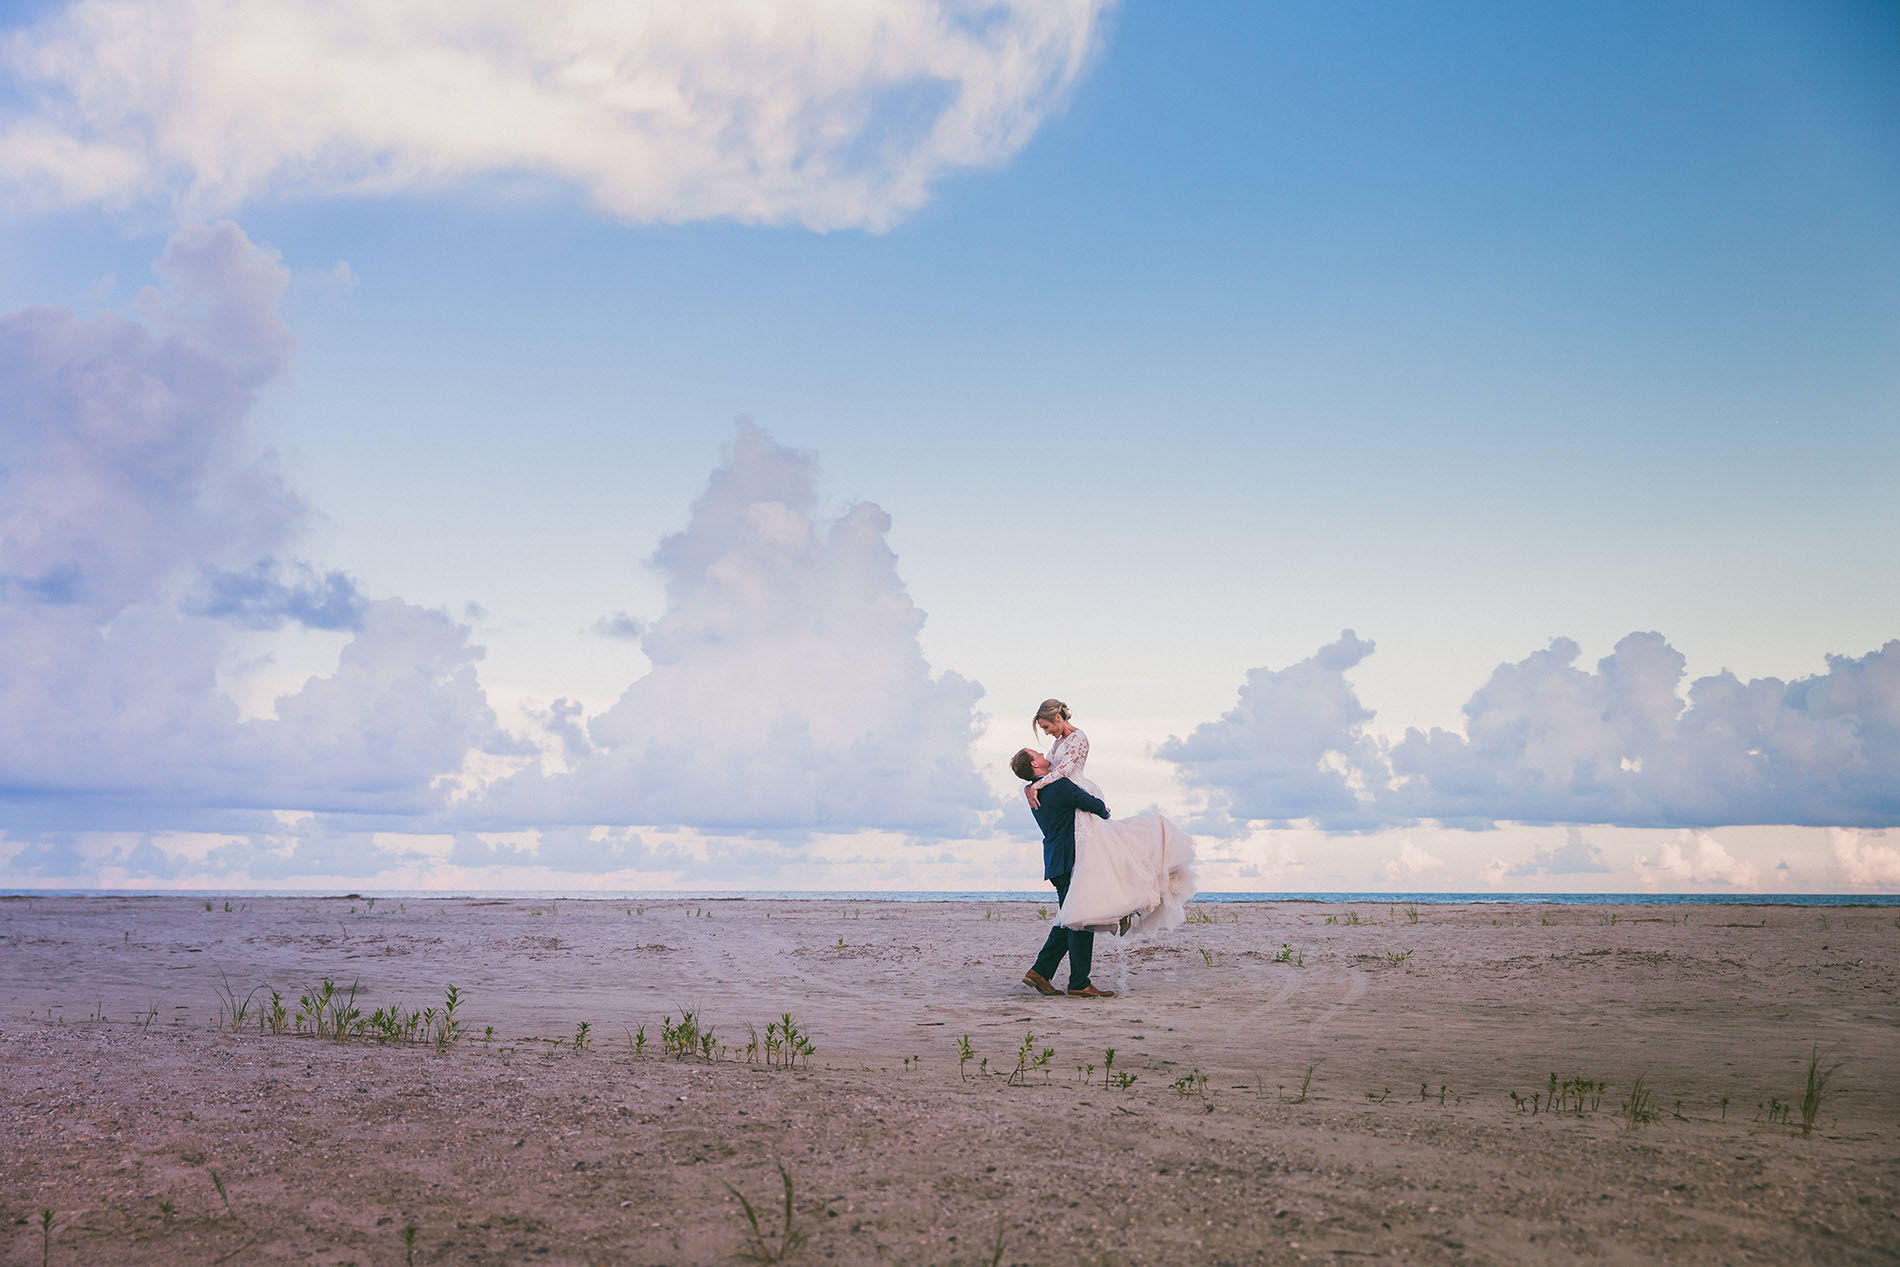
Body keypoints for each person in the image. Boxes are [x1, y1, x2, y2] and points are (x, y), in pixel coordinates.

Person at [1019, 699, 1199, 939]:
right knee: (1100, 861)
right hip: (1067, 797)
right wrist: (1029, 787)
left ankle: (1122, 906)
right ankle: (1113, 909)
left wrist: (1035, 786)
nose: (1046, 733)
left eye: (1046, 727)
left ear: (1058, 719)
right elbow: (1050, 772)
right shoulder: (1059, 742)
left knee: (1103, 856)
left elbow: (1062, 771)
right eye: (1043, 729)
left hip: (1076, 793)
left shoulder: (1078, 738)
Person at [1012, 748, 1117, 999]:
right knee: (1080, 920)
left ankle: (1040, 971)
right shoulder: (1057, 787)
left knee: (1069, 918)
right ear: (1035, 765)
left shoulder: (1036, 791)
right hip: (1071, 860)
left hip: (1057, 861)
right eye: (1035, 753)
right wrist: (1104, 809)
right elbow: (1095, 806)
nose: (1041, 751)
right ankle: (1079, 982)